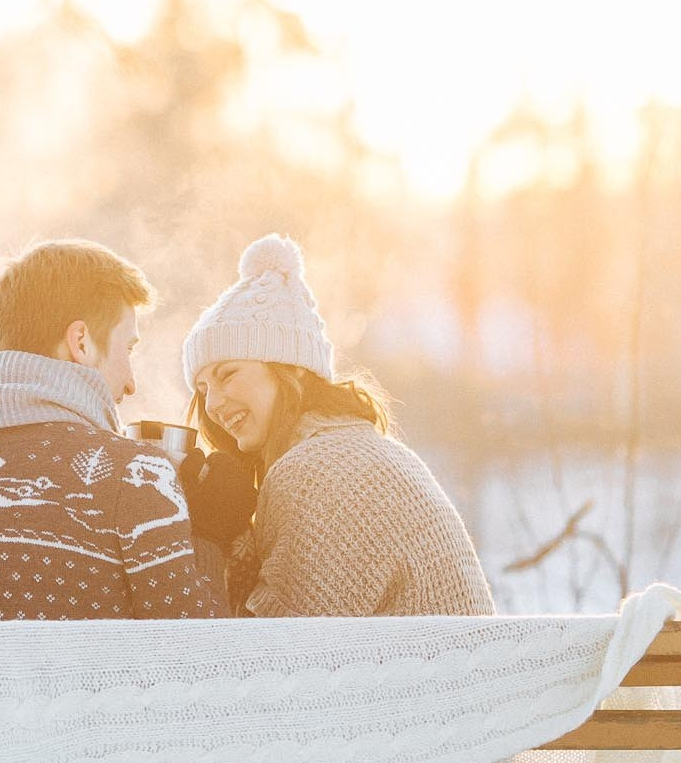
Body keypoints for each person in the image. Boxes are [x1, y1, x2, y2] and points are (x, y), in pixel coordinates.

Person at [0, 238, 223, 621]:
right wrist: (205, 536)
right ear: (81, 342)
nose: (131, 384)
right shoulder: (136, 476)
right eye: (129, 349)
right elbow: (201, 659)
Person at [182, 234, 493, 618]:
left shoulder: (312, 472)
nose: (212, 404)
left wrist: (209, 538)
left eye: (227, 374)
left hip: (423, 677)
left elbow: (271, 662)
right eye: (202, 388)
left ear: (291, 369)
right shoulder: (353, 446)